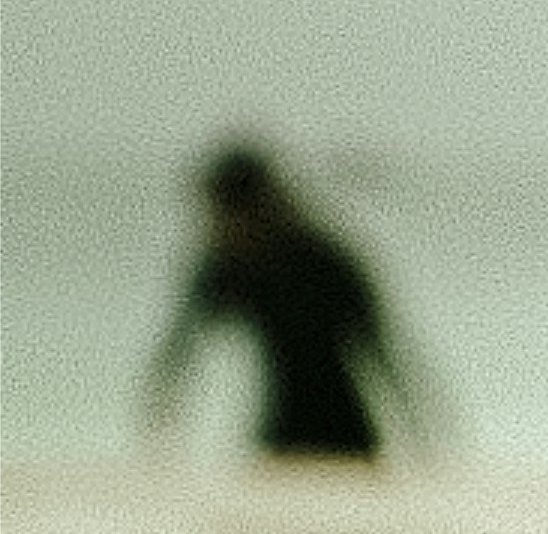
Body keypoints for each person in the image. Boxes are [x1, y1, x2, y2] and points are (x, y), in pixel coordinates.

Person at [140, 141, 424, 462]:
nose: (219, 227)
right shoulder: (225, 267)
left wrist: (421, 436)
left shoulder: (324, 263)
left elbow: (382, 354)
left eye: (225, 214)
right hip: (280, 429)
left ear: (259, 207)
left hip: (346, 429)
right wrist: (157, 427)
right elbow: (181, 349)